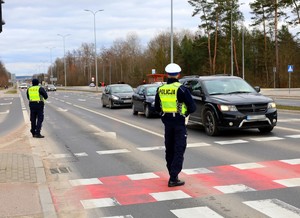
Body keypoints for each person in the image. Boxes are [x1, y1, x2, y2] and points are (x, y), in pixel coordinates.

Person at [155, 63, 196, 187]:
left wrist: (164, 114)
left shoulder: (160, 89)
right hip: (179, 122)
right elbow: (192, 107)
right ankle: (173, 178)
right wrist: (184, 113)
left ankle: (172, 173)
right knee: (179, 148)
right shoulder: (181, 89)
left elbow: (157, 107)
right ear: (178, 74)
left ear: (167, 74)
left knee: (170, 148)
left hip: (167, 122)